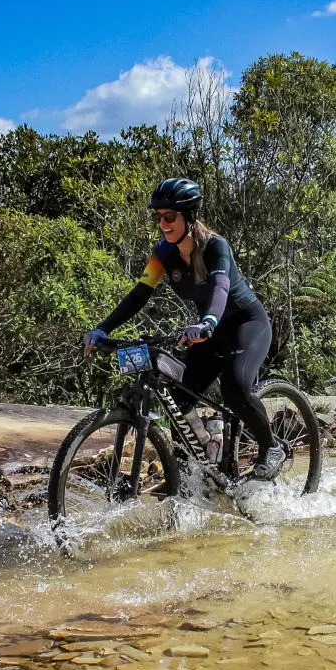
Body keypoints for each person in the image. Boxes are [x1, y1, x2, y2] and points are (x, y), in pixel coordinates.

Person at [84, 178, 286, 480]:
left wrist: (208, 322)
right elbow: (138, 295)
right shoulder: (163, 253)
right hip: (208, 331)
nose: (162, 224)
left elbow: (220, 287)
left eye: (169, 217)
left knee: (235, 390)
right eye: (158, 217)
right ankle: (204, 460)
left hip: (246, 324)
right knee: (180, 396)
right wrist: (101, 329)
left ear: (189, 217)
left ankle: (271, 447)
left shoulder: (216, 246)